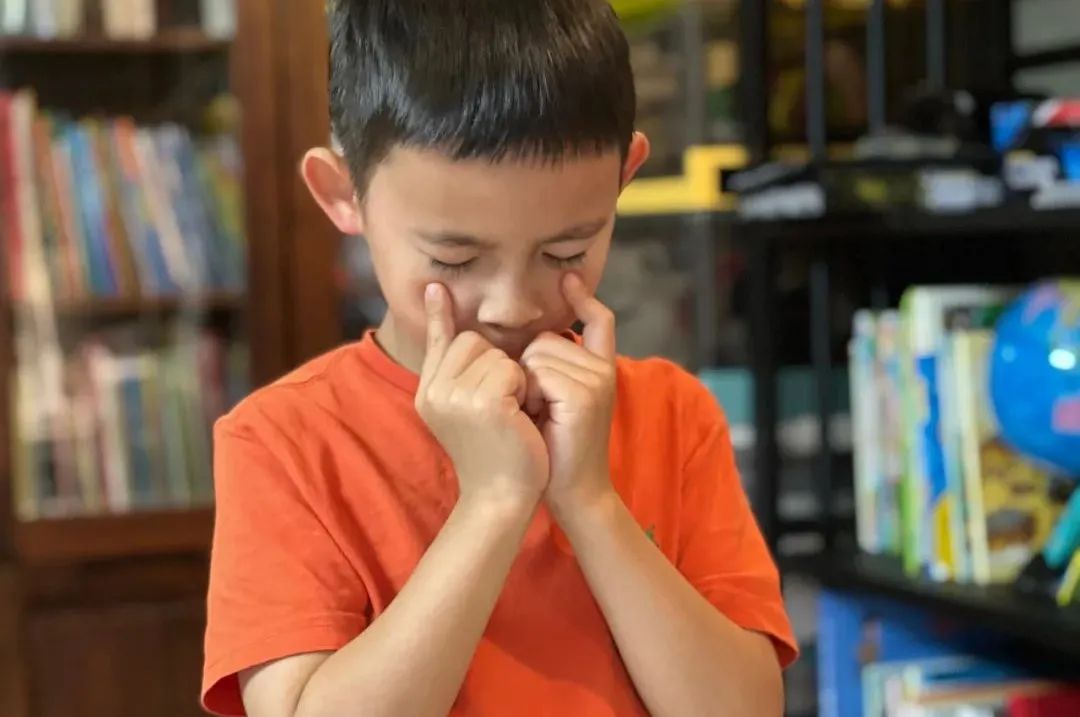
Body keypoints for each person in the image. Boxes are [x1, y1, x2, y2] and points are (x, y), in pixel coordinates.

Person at [201, 1, 798, 715]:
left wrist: (590, 501)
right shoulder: (282, 442)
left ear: (624, 177)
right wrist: (492, 503)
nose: (512, 306)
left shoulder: (674, 414)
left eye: (567, 251)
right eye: (454, 258)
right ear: (342, 194)